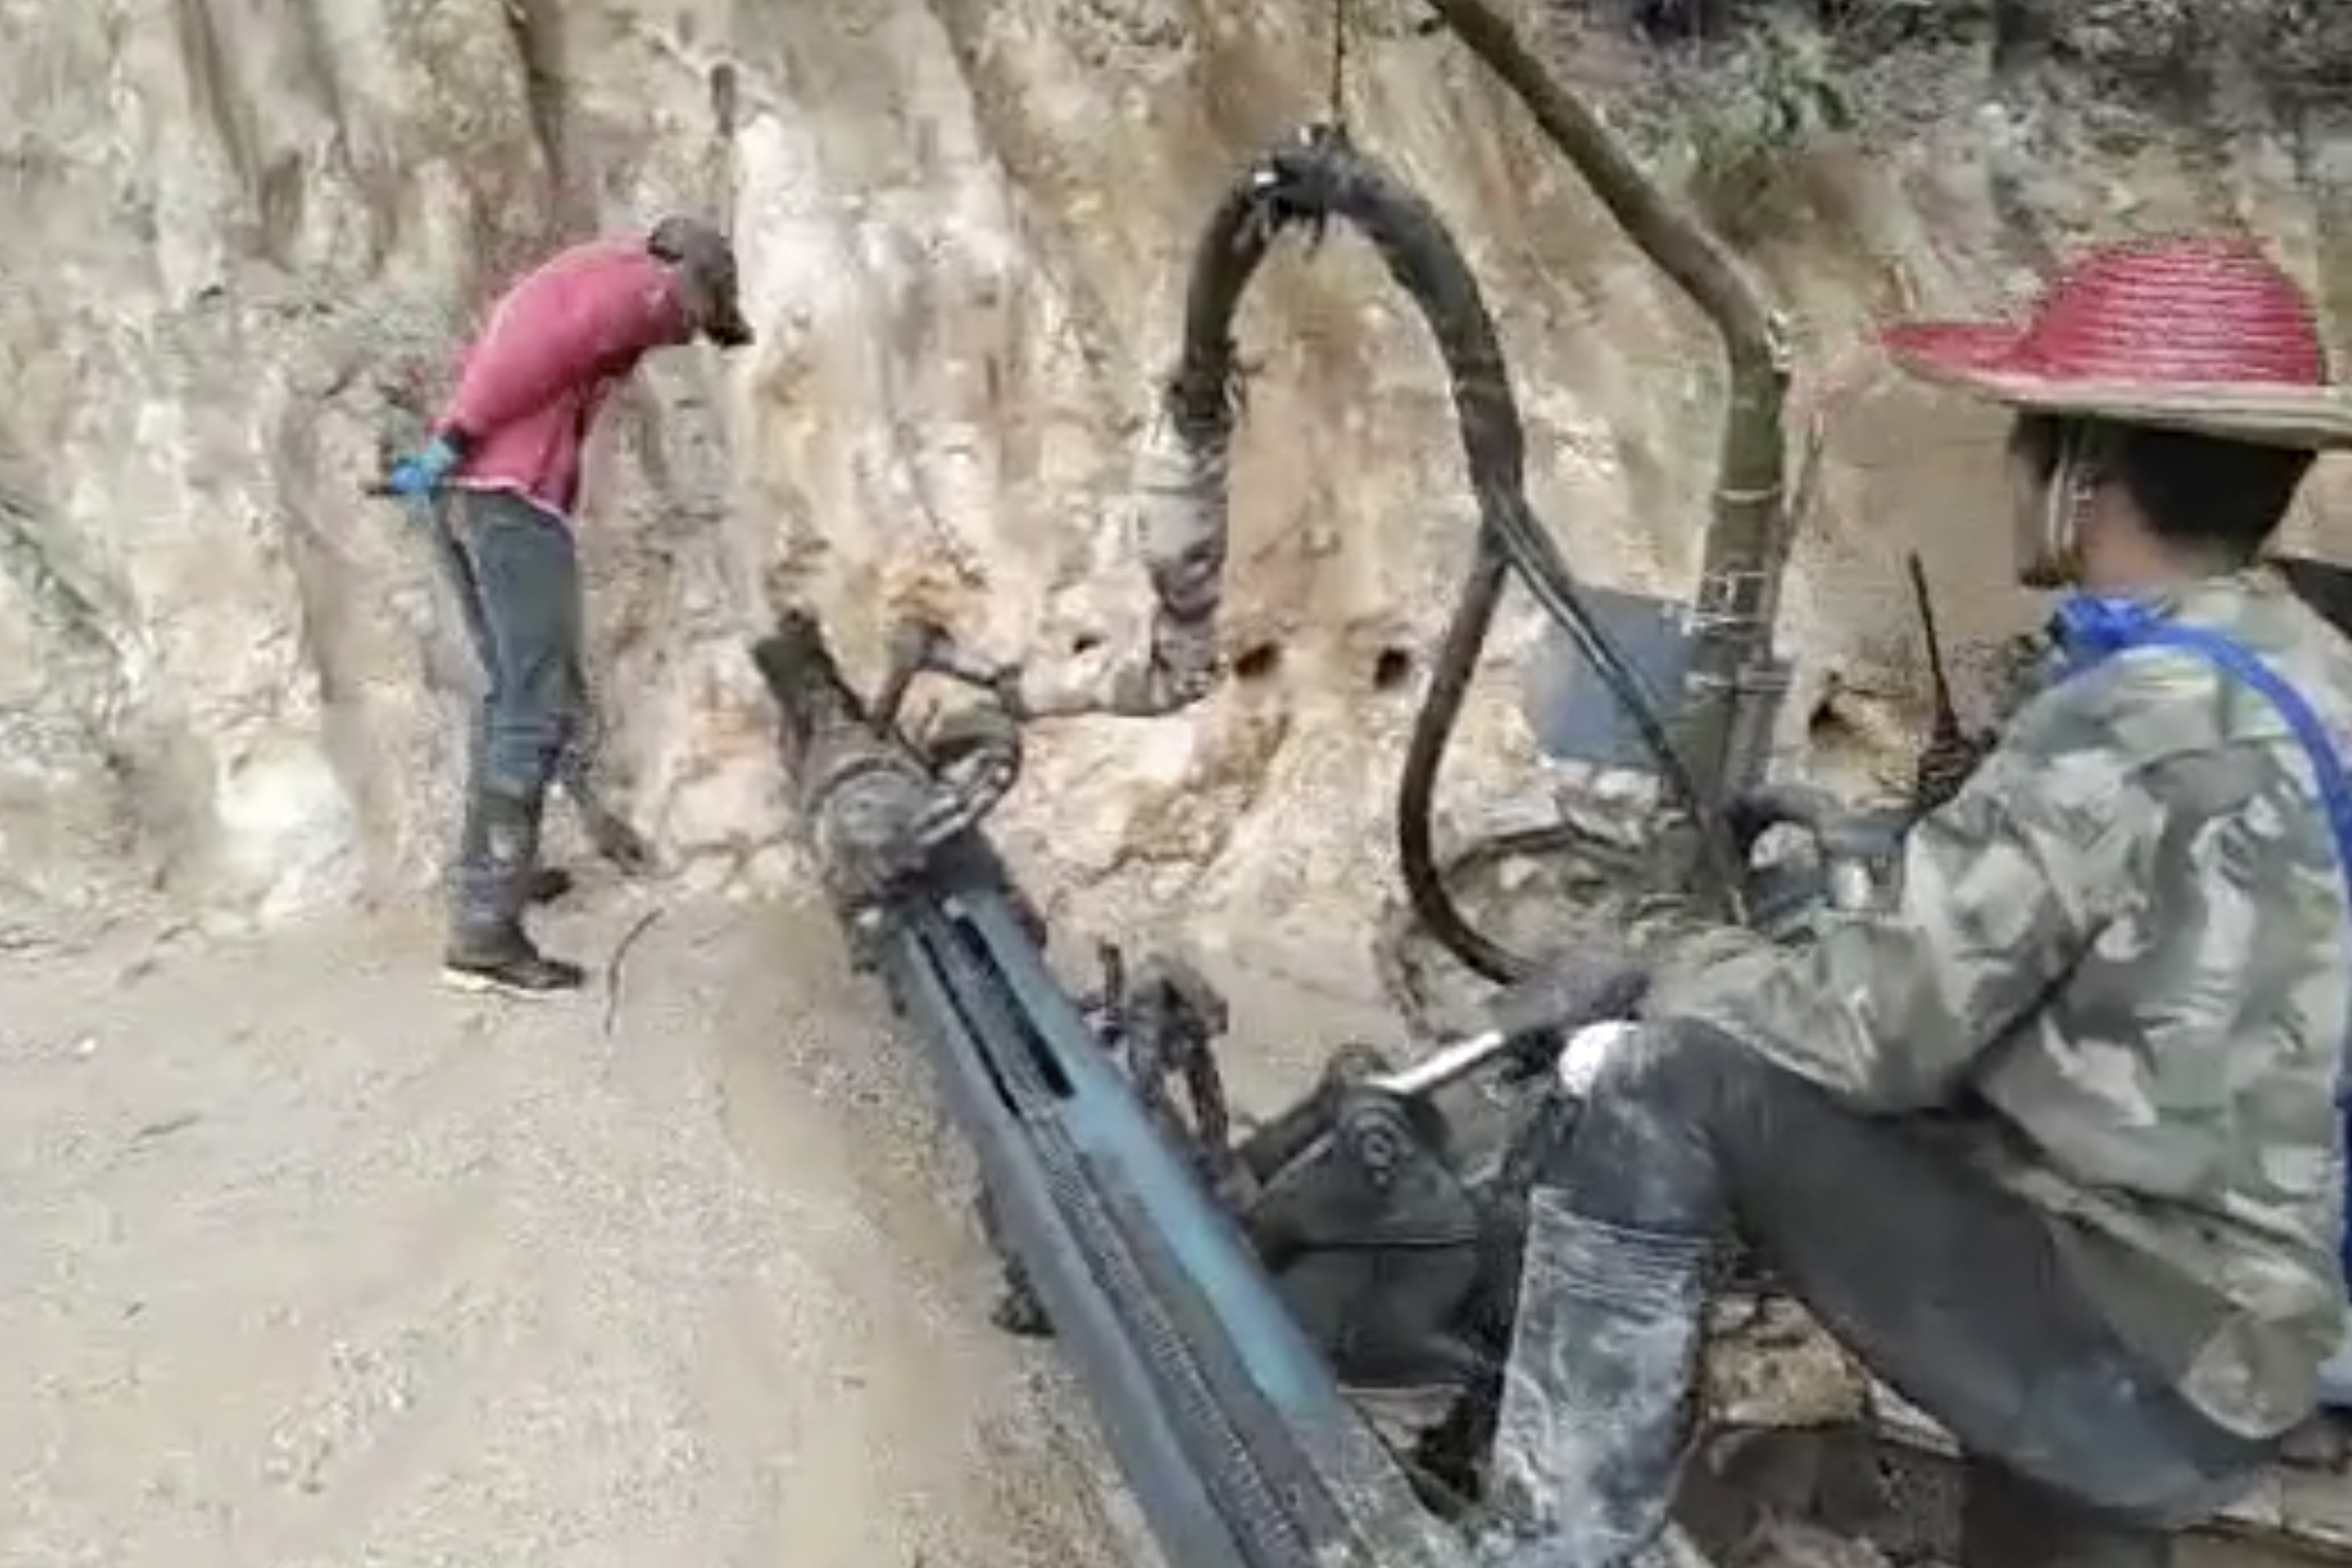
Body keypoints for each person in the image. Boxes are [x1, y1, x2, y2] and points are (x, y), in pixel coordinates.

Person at [1475, 234, 2352, 1568]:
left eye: (2025, 438)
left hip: (2143, 1348)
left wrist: (1660, 958)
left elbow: (1869, 1032)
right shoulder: (2305, 665)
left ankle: (1543, 1547)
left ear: (2083, 470)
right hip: (2262, 1328)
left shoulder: (2131, 720)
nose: (2008, 469)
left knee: (1670, 1080)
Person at [376, 219, 756, 995]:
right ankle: (483, 933)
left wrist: (454, 455)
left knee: (514, 694)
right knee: (533, 705)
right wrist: (454, 439)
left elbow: (534, 345)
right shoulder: (638, 291)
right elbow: (529, 357)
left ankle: (496, 878)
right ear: (688, 281)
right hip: (510, 500)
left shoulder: (588, 272)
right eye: (696, 319)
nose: (684, 337)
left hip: (485, 496)